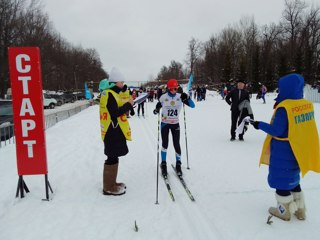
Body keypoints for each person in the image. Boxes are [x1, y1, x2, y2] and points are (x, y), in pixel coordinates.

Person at [250, 73, 320, 221]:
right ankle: (300, 210)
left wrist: (259, 125)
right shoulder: (305, 105)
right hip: (298, 150)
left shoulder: (285, 108)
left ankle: (284, 211)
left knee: (281, 179)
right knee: (293, 178)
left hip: (283, 151)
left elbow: (277, 130)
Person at [99, 67, 134, 196]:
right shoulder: (108, 94)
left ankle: (112, 182)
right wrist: (129, 105)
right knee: (112, 155)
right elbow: (115, 112)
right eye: (121, 82)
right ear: (115, 82)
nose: (123, 84)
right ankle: (108, 187)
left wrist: (129, 103)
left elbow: (119, 105)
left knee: (114, 155)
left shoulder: (112, 93)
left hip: (114, 129)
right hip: (111, 130)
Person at [153, 79, 195, 177]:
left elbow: (193, 106)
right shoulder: (163, 97)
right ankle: (163, 164)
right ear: (168, 88)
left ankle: (178, 164)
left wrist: (187, 97)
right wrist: (156, 110)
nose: (173, 91)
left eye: (175, 88)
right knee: (165, 144)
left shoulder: (180, 97)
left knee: (176, 144)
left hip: (175, 124)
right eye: (171, 89)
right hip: (165, 124)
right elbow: (156, 110)